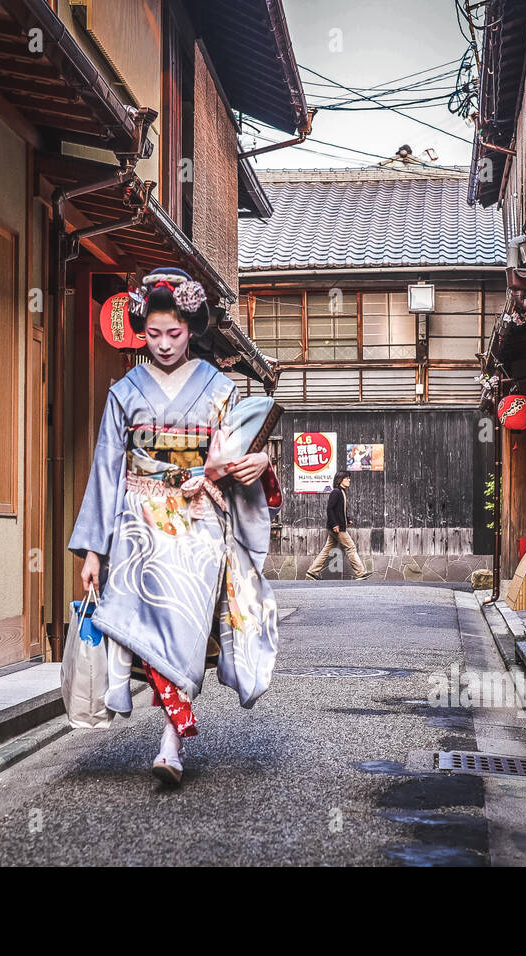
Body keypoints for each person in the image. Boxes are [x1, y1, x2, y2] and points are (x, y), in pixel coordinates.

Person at [68, 267, 280, 786]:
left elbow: (240, 454)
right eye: (154, 333)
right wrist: (93, 550)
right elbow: (105, 470)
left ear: (192, 331)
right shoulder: (124, 392)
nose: (163, 344)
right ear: (141, 331)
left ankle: (170, 740)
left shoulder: (219, 388)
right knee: (139, 626)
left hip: (198, 519)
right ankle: (173, 726)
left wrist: (261, 465)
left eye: (176, 333)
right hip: (137, 522)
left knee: (183, 625)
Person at [305, 471, 371, 580]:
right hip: (337, 528)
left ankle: (312, 572)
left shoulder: (342, 492)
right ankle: (360, 573)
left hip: (338, 526)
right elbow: (330, 509)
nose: (349, 480)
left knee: (326, 550)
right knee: (351, 547)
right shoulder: (336, 492)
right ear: (340, 480)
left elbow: (341, 510)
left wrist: (347, 519)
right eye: (347, 478)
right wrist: (335, 524)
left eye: (349, 478)